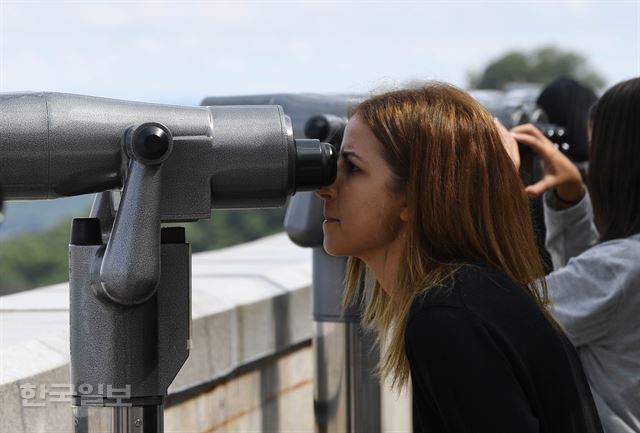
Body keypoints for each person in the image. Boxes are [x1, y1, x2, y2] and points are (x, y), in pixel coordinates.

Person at [315, 83, 603, 432]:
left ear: (413, 196)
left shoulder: (447, 318)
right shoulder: (474, 295)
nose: (325, 188)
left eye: (353, 168)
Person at [508, 77, 640, 433]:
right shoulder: (622, 267)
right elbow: (594, 302)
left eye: (595, 150)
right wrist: (570, 199)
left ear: (618, 162)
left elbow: (502, 320)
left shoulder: (618, 270)